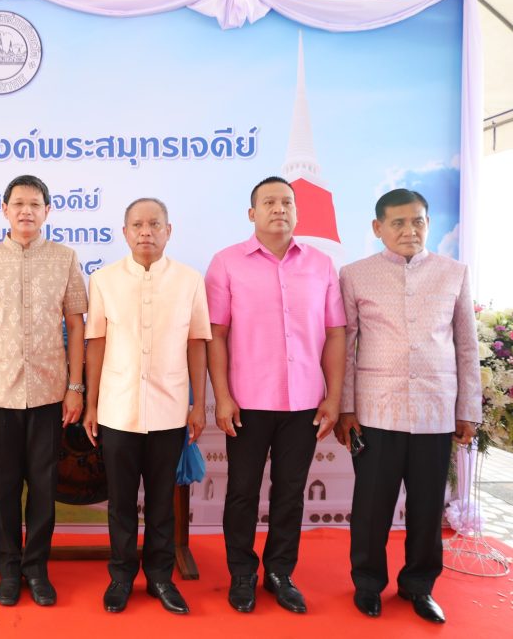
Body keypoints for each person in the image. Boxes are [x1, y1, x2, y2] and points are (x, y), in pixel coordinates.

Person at [336, 188, 479, 624]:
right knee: (371, 506)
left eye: (417, 221)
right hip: (376, 412)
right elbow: (345, 346)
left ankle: (419, 586)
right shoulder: (355, 275)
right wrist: (346, 409)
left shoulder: (454, 273)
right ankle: (367, 584)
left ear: (428, 224)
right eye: (397, 222)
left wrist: (468, 409)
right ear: (378, 227)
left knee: (427, 507)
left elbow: (466, 345)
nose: (409, 230)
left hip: (436, 411)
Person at [205, 176, 345, 615]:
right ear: (252, 213)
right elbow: (216, 335)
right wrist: (221, 396)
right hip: (246, 402)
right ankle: (242, 573)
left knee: (290, 492)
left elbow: (335, 333)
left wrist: (334, 397)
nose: (279, 209)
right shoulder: (226, 263)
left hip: (305, 402)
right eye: (269, 202)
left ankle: (280, 573)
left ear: (298, 212)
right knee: (242, 492)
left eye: (287, 202)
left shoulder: (321, 265)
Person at [83, 198, 211, 615]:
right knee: (121, 502)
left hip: (170, 408)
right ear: (124, 232)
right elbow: (96, 343)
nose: (146, 232)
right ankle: (121, 576)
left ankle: (159, 577)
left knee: (161, 501)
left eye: (154, 224)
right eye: (137, 225)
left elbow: (196, 343)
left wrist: (199, 404)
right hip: (117, 409)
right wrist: (91, 404)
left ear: (168, 231)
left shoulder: (189, 280)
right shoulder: (103, 280)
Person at [0, 174, 88, 607]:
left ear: (47, 211)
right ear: (5, 209)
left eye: (35, 204)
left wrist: (75, 386)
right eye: (18, 203)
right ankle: (9, 567)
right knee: (3, 487)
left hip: (50, 392)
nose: (26, 211)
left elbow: (76, 324)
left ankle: (36, 568)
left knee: (43, 484)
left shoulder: (65, 258)